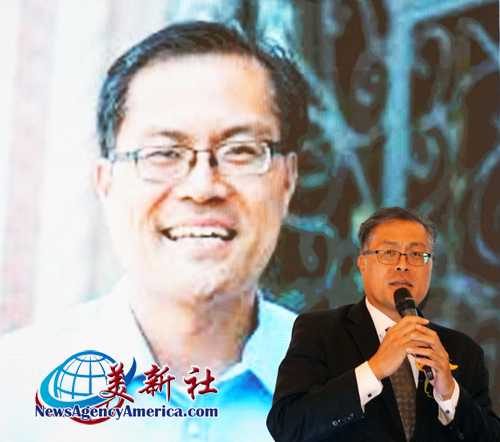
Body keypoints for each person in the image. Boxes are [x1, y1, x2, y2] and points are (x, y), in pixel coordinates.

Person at [0, 21, 308, 442]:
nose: (202, 187)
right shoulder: (12, 394)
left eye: (240, 151)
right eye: (163, 153)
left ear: (287, 180)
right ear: (106, 183)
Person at [267, 207, 500, 442]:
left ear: (430, 267)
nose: (403, 265)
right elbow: (287, 426)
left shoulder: (463, 351)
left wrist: (450, 393)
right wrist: (373, 369)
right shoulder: (320, 331)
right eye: (389, 253)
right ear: (362, 264)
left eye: (416, 254)